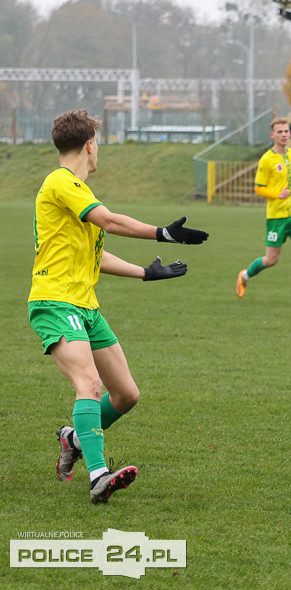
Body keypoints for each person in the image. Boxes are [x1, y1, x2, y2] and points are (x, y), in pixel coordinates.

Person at [31, 109, 208, 504]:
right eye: (99, 144)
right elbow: (109, 222)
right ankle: (98, 475)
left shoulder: (76, 190)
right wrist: (161, 233)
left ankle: (74, 438)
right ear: (91, 145)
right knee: (89, 385)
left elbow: (96, 255)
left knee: (125, 394)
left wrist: (146, 273)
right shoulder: (62, 182)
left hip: (85, 306)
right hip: (56, 302)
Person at [235, 117, 291, 306]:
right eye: (279, 132)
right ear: (272, 135)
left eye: (286, 131)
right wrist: (277, 194)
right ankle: (245, 274)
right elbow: (259, 188)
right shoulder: (266, 160)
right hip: (277, 217)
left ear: (290, 134)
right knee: (271, 259)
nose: (283, 135)